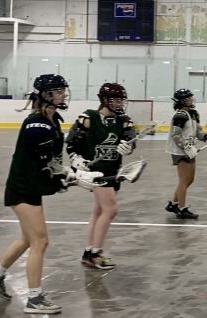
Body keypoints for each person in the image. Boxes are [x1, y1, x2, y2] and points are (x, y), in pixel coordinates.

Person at [0, 74, 104, 314]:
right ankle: (34, 299)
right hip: (23, 189)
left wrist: (74, 172)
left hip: (30, 187)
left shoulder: (52, 119)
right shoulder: (37, 127)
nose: (63, 94)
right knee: (41, 241)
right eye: (58, 91)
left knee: (28, 239)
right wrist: (69, 180)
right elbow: (43, 169)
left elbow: (53, 165)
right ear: (46, 95)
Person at [66, 83, 135, 270]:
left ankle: (89, 250)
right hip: (96, 173)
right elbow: (71, 143)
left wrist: (127, 147)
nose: (120, 103)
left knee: (99, 210)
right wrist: (76, 159)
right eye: (116, 99)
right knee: (110, 209)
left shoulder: (124, 120)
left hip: (114, 171)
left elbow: (130, 139)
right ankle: (95, 253)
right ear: (105, 100)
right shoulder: (88, 118)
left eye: (122, 99)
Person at [165, 89, 207, 219]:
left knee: (190, 180)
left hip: (189, 149)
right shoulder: (180, 115)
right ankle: (182, 209)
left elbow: (197, 132)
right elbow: (176, 135)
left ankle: (173, 204)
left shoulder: (193, 114)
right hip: (180, 151)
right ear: (182, 101)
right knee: (184, 180)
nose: (191, 100)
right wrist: (186, 147)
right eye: (188, 98)